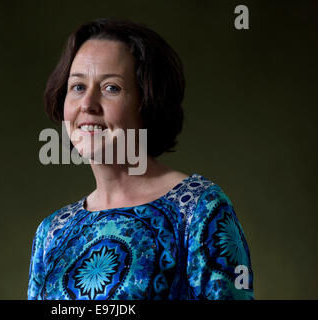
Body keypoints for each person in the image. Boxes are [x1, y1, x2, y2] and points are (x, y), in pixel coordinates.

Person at [28, 18, 254, 300]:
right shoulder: (52, 231)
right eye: (77, 87)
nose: (87, 104)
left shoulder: (198, 208)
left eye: (111, 88)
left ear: (148, 102)